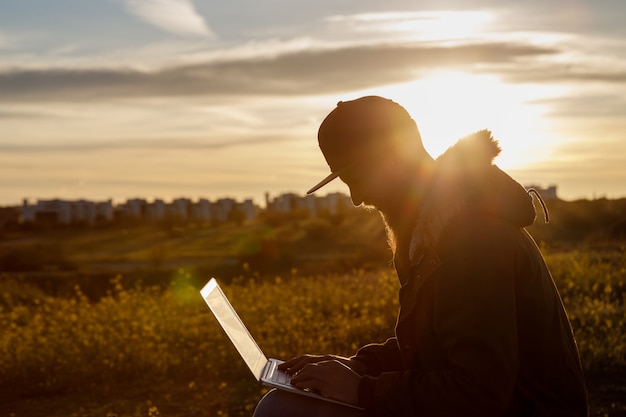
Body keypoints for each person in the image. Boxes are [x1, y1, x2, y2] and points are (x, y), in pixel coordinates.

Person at [252, 96, 588, 417]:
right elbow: (434, 349)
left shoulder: (472, 240)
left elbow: (479, 394)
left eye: (355, 177)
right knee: (284, 405)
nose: (356, 198)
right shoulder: (437, 230)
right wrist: (356, 367)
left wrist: (363, 390)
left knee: (282, 412)